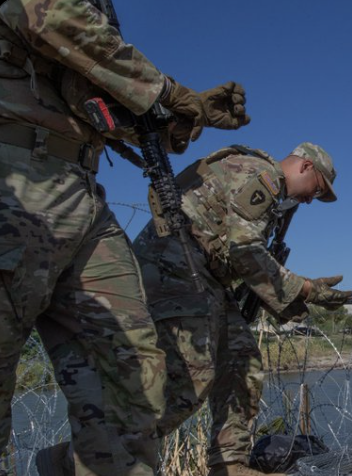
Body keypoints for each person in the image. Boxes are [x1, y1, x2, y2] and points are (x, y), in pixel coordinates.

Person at [0, 1, 249, 475]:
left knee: (134, 375)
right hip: (12, 174)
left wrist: (188, 114)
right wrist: (169, 92)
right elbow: (53, 18)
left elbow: (99, 98)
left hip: (81, 189)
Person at [132, 142, 352, 476]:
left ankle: (229, 465)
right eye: (315, 191)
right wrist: (307, 289)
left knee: (242, 362)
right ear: (306, 167)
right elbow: (245, 251)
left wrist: (285, 298)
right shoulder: (261, 175)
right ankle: (99, 450)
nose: (310, 200)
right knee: (191, 377)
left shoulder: (274, 198)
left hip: (205, 275)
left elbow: (243, 258)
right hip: (175, 261)